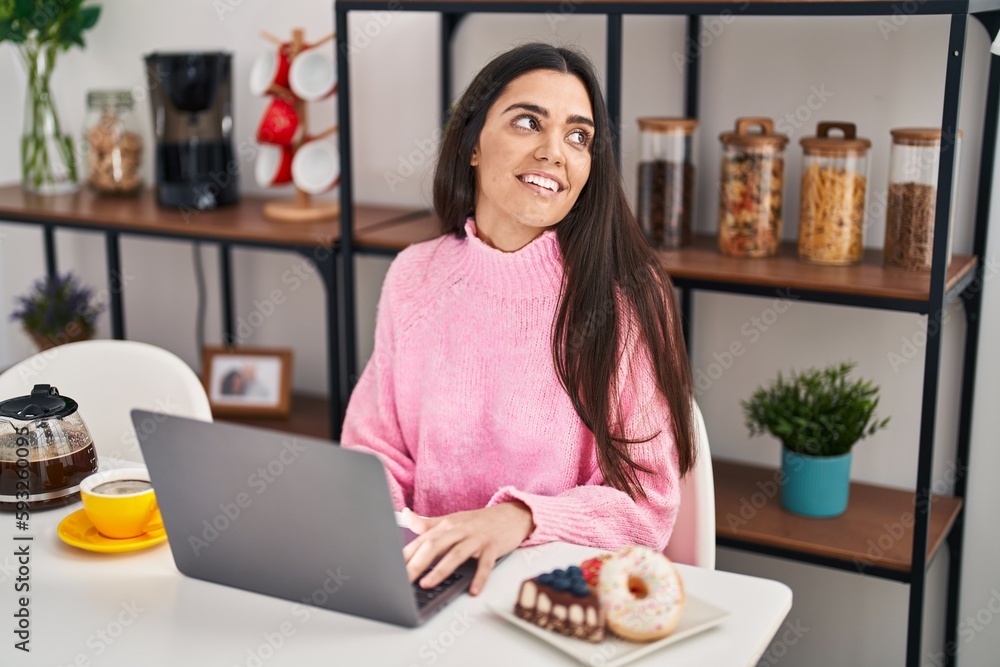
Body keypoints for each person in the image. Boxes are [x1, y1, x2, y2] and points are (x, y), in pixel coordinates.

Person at [341, 42, 695, 598]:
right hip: (428, 583)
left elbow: (645, 507)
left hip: (554, 595)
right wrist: (396, 541)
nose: (556, 152)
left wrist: (515, 520)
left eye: (579, 136)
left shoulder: (627, 297)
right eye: (529, 122)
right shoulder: (413, 276)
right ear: (473, 144)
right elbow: (372, 453)